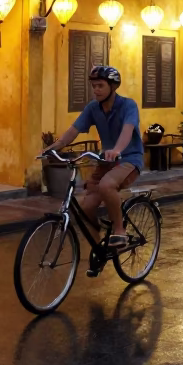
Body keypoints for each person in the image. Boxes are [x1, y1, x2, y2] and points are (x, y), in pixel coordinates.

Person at [45, 66, 144, 249]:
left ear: (112, 87)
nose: (96, 90)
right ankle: (98, 250)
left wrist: (117, 150)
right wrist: (53, 148)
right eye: (94, 86)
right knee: (86, 208)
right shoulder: (93, 108)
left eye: (100, 85)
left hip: (128, 159)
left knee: (107, 185)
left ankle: (119, 229)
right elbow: (73, 131)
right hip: (105, 162)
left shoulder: (128, 105)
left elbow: (127, 130)